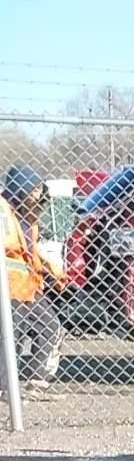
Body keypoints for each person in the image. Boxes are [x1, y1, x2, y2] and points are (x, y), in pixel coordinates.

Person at [2, 165, 63, 387]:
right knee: (11, 336)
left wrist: (52, 268)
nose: (38, 194)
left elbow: (30, 249)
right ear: (22, 189)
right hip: (9, 285)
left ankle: (35, 378)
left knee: (49, 325)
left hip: (28, 285)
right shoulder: (4, 211)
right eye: (34, 189)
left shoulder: (29, 217)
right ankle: (5, 386)